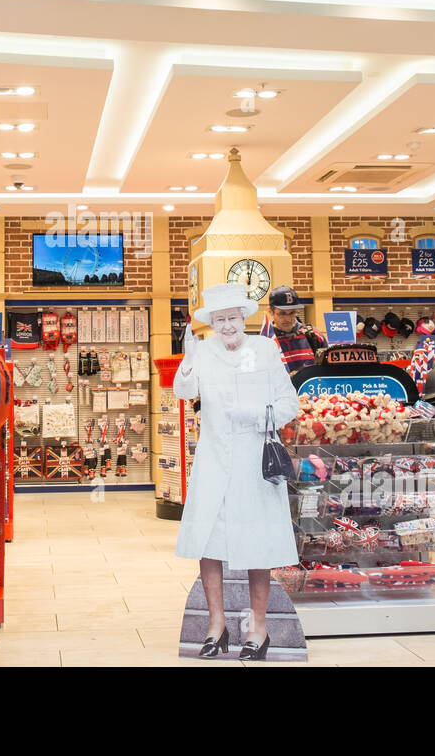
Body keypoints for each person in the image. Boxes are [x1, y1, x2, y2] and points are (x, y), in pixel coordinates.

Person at [173, 282, 300, 661]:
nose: (227, 326)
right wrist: (189, 358)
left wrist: (259, 417)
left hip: (254, 460)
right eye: (220, 320)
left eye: (233, 318)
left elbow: (288, 404)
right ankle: (217, 625)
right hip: (213, 459)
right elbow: (183, 391)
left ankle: (258, 629)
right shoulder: (204, 350)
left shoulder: (263, 349)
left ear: (244, 318)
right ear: (211, 323)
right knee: (209, 542)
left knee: (256, 542)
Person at [266, 285, 325, 373]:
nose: (289, 319)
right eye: (282, 313)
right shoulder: (266, 341)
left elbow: (327, 372)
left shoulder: (314, 335)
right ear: (270, 311)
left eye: (292, 313)